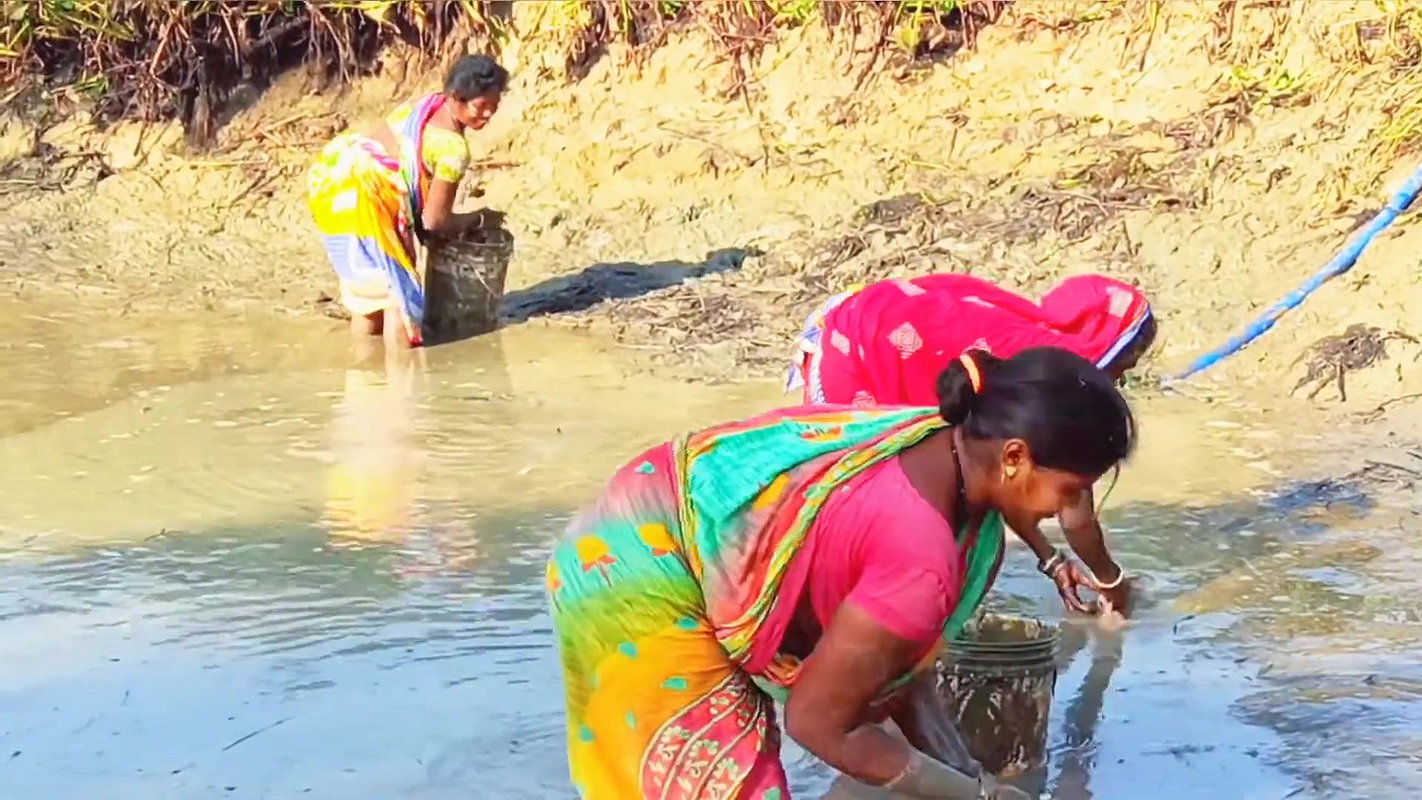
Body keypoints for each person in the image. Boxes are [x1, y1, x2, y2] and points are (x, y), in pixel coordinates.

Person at [547, 347, 1135, 800]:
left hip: (661, 512)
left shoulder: (943, 453)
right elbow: (819, 723)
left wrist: (969, 778)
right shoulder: (921, 558)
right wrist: (974, 792)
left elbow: (899, 675)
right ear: (1013, 457)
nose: (1066, 511)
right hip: (639, 568)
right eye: (1072, 490)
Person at [785, 273, 1157, 617]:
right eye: (1123, 368)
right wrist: (1113, 584)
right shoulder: (1055, 393)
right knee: (856, 499)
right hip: (861, 350)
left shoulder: (1037, 364)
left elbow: (1008, 479)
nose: (1119, 382)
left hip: (880, 322)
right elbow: (1068, 510)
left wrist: (1052, 561)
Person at [307, 54, 509, 348]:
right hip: (366, 200)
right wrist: (479, 218)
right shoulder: (452, 148)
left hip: (333, 181)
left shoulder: (427, 106)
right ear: (456, 98)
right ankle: (403, 383)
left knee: (368, 298)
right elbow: (435, 221)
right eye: (481, 106)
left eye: (494, 106)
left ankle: (366, 379)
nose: (489, 114)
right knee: (397, 301)